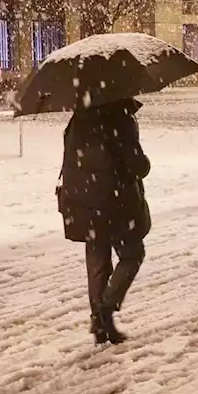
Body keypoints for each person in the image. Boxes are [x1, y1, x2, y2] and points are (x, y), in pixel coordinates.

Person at [57, 99, 151, 344]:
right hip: (115, 201)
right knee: (132, 254)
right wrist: (144, 163)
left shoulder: (79, 118)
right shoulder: (119, 117)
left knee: (97, 258)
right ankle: (105, 311)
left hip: (84, 202)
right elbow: (136, 165)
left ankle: (98, 321)